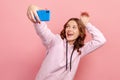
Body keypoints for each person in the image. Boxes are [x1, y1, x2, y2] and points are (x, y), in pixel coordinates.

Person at [27, 5, 106, 80]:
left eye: (74, 27)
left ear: (80, 32)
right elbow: (42, 30)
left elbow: (101, 40)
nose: (69, 29)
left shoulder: (80, 50)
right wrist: (33, 8)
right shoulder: (55, 41)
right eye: (67, 26)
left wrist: (86, 24)